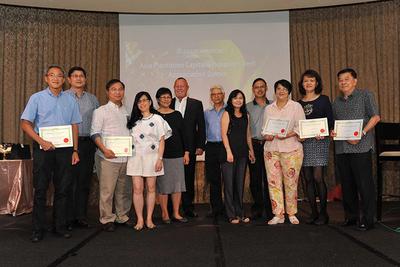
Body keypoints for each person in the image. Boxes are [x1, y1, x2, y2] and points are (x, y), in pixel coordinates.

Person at [21, 65, 81, 242]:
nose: (56, 78)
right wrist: (42, 141)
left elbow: (74, 125)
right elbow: (25, 123)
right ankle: (37, 229)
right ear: (46, 78)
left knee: (63, 190)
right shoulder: (36, 98)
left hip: (65, 150)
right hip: (43, 149)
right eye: (52, 75)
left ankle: (59, 226)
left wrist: (75, 150)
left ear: (64, 80)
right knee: (40, 190)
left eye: (59, 76)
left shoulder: (70, 100)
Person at [331, 68, 380, 231]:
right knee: (347, 185)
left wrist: (362, 133)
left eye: (346, 79)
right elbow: (335, 125)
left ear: (355, 81)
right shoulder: (336, 102)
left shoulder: (366, 95)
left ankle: (368, 219)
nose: (343, 82)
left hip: (361, 146)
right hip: (342, 148)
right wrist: (333, 132)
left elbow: (375, 117)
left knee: (364, 184)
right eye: (340, 79)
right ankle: (351, 217)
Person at [91, 79, 132, 232]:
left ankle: (123, 216)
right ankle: (107, 218)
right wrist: (104, 149)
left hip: (126, 157)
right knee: (107, 190)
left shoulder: (127, 111)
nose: (117, 92)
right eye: (114, 89)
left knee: (124, 189)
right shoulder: (100, 111)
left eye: (120, 89)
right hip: (107, 157)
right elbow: (94, 133)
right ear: (107, 92)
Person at [262, 79, 305, 225]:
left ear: (289, 91)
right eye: (279, 88)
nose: (281, 91)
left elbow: (301, 128)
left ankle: (292, 213)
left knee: (291, 182)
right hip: (271, 150)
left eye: (284, 89)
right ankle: (278, 214)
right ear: (275, 91)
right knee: (273, 183)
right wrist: (267, 135)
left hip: (291, 149)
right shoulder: (269, 108)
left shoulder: (296, 107)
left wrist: (287, 134)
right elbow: (265, 129)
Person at [127, 91, 171, 230]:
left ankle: (149, 219)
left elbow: (162, 141)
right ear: (136, 104)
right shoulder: (132, 121)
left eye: (145, 100)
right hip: (135, 158)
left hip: (152, 158)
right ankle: (139, 220)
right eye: (139, 101)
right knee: (138, 189)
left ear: (150, 102)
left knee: (151, 189)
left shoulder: (157, 119)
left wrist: (160, 159)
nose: (142, 103)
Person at [65, 66, 99, 230]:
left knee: (84, 182)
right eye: (75, 76)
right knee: (68, 181)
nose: (78, 79)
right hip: (67, 144)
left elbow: (98, 123)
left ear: (85, 79)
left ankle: (81, 216)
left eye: (81, 76)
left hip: (87, 143)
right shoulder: (63, 97)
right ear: (69, 79)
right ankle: (68, 217)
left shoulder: (92, 99)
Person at [298, 70, 333, 225]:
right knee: (308, 179)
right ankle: (313, 213)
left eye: (312, 80)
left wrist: (324, 133)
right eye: (306, 81)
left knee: (318, 177)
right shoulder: (299, 103)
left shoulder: (324, 100)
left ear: (317, 83)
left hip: (320, 142)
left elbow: (330, 121)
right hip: (304, 143)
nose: (309, 83)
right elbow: (297, 124)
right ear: (302, 84)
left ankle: (324, 214)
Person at [171, 77, 206, 217]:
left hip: (190, 147)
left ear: (187, 87)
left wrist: (200, 145)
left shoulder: (196, 104)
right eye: (177, 86)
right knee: (171, 179)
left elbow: (201, 126)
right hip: (171, 148)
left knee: (188, 178)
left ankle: (188, 208)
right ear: (174, 88)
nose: (179, 88)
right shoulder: (168, 103)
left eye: (182, 86)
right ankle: (171, 208)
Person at [221, 89, 255, 224]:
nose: (238, 100)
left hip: (242, 154)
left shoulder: (246, 114)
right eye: (235, 98)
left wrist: (251, 150)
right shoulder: (226, 113)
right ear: (230, 100)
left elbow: (248, 135)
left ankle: (240, 213)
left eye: (241, 98)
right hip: (229, 154)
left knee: (239, 184)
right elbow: (223, 134)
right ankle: (231, 214)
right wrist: (228, 151)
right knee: (229, 185)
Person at [156, 87, 189, 224]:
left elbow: (184, 135)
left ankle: (176, 213)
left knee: (177, 185)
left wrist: (186, 152)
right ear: (157, 99)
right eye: (163, 97)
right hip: (160, 156)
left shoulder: (177, 115)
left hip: (177, 154)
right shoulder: (153, 115)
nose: (166, 99)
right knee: (163, 186)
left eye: (168, 97)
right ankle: (165, 213)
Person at [246, 78, 273, 220]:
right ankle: (257, 208)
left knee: (270, 178)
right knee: (255, 179)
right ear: (253, 89)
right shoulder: (247, 106)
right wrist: (250, 149)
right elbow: (247, 131)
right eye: (257, 87)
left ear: (266, 88)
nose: (260, 89)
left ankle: (271, 209)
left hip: (271, 145)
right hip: (254, 145)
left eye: (262, 86)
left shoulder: (274, 105)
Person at [204, 85, 225, 218]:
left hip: (226, 146)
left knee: (228, 179)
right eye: (213, 94)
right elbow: (204, 131)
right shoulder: (206, 113)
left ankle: (229, 207)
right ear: (211, 97)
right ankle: (216, 208)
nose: (216, 96)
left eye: (219, 94)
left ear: (223, 95)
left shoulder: (229, 110)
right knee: (214, 179)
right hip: (211, 147)